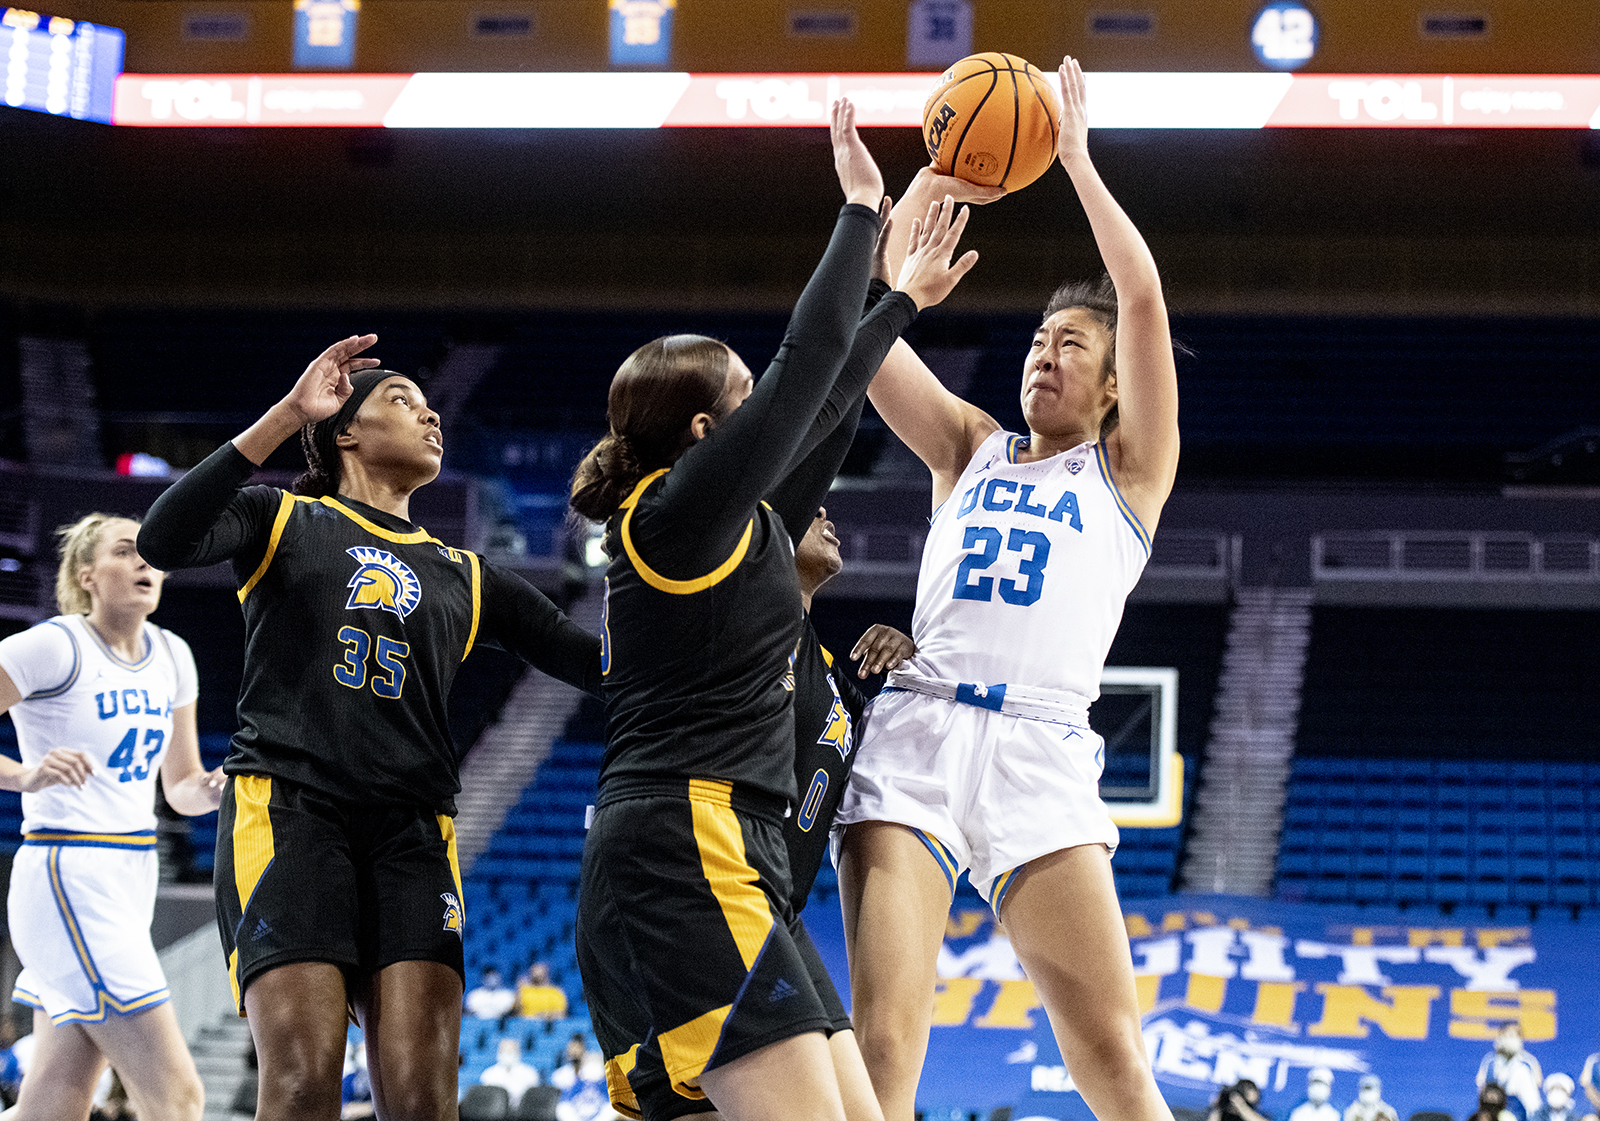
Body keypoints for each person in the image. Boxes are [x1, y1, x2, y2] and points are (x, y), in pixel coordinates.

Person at [569, 98, 975, 1121]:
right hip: (683, 839)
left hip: (733, 849)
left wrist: (897, 304)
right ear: (705, 429)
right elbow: (807, 367)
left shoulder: (736, 527)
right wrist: (857, 214)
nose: (769, 413)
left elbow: (828, 411)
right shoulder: (666, 518)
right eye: (745, 398)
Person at [833, 56, 1182, 1121]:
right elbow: (869, 333)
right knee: (886, 1039)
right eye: (1035, 339)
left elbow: (1141, 293)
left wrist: (1072, 160)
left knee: (1111, 1055)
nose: (1044, 354)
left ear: (1114, 384)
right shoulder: (968, 447)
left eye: (1069, 345)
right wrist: (930, 181)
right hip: (920, 735)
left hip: (1041, 750)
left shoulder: (1128, 472)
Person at [137, 338, 604, 1121]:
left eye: (429, 403)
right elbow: (165, 538)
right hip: (290, 812)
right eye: (401, 399)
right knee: (301, 1086)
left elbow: (600, 665)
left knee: (425, 1101)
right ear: (345, 431)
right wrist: (286, 416)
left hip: (414, 831)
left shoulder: (466, 572)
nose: (429, 411)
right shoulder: (281, 517)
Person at [0, 513, 226, 1121]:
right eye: (127, 552)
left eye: (151, 552)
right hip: (69, 871)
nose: (145, 562)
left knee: (56, 1104)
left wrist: (218, 789)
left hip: (133, 873)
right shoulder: (55, 644)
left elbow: (178, 786)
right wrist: (23, 774)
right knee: (178, 1099)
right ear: (87, 576)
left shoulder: (173, 654)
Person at [1479, 1024, 1543, 1121]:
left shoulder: (1528, 1062)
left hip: (1518, 1113)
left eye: (1514, 1035)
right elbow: (1481, 1088)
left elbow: (1533, 1101)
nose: (1510, 1039)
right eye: (1507, 1035)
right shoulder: (1489, 1061)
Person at [479, 1037, 540, 1111]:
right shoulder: (488, 1074)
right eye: (504, 1051)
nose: (507, 1054)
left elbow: (532, 1098)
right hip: (495, 1112)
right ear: (499, 1053)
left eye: (511, 1051)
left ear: (518, 1053)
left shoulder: (530, 1073)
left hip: (522, 1113)